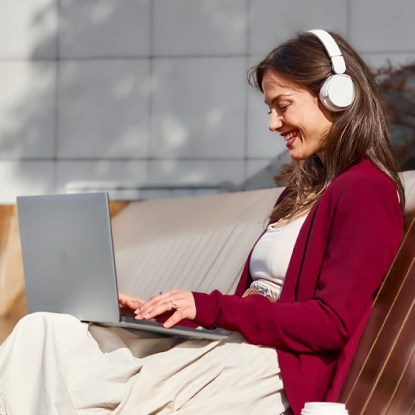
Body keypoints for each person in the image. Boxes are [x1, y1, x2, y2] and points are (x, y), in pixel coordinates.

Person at [0, 29, 404, 415]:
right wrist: (166, 313)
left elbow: (330, 323)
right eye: (270, 110)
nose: (273, 123)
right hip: (233, 347)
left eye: (283, 106)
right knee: (45, 331)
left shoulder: (367, 190)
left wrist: (208, 307)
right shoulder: (302, 192)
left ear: (337, 95)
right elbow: (250, 307)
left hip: (266, 371)